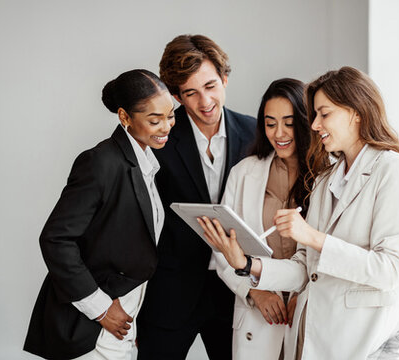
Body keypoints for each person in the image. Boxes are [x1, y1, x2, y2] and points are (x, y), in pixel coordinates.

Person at [200, 66, 399, 359]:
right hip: (310, 336)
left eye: (324, 114)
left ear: (356, 112)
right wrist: (246, 265)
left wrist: (313, 237)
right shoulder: (325, 180)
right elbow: (305, 268)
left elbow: (391, 270)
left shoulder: (395, 171)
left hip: (359, 341)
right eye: (315, 115)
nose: (315, 124)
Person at [24, 69, 174, 359]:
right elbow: (56, 240)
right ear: (125, 117)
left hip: (124, 328)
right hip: (89, 331)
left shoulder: (148, 164)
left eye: (170, 116)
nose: (167, 126)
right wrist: (101, 309)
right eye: (155, 120)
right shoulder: (100, 162)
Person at [136, 34, 257, 359]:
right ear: (175, 95)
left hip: (237, 291)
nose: (205, 101)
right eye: (190, 92)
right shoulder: (157, 140)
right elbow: (138, 222)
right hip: (170, 293)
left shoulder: (257, 133)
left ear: (225, 79)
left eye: (211, 86)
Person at [213, 78, 329, 359]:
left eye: (289, 123)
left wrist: (303, 296)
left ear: (306, 122)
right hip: (259, 312)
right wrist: (254, 293)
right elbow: (222, 249)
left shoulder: (326, 173)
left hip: (311, 309)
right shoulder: (244, 172)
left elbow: (331, 247)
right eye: (270, 122)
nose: (279, 133)